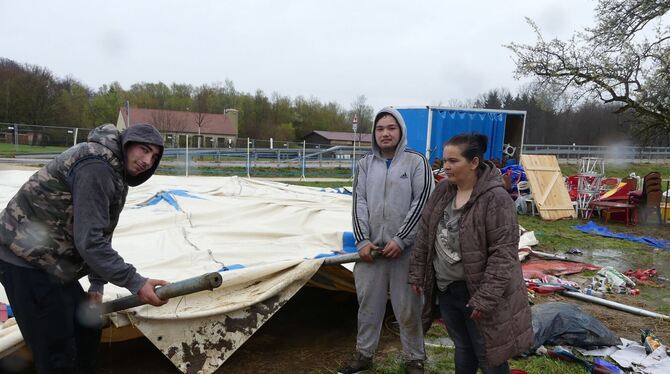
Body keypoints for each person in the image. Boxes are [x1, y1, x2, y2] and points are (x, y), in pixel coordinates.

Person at [0, 123, 169, 373]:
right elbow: (89, 241)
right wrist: (136, 282)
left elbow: (102, 230)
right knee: (57, 351)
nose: (147, 160)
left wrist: (97, 284)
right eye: (143, 150)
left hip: (53, 261)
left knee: (86, 330)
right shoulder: (97, 166)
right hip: (23, 258)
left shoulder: (115, 171)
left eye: (153, 157)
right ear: (127, 144)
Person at [408, 133, 532, 374]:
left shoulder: (495, 199)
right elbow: (425, 234)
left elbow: (503, 254)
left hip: (477, 292)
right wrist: (417, 273)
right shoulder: (443, 191)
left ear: (474, 162)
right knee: (463, 347)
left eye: (453, 161)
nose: (446, 166)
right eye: (445, 160)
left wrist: (485, 299)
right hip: (446, 289)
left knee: (488, 353)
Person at [338, 107, 434, 374]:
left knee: (408, 307)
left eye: (391, 128)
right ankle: (364, 355)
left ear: (401, 130)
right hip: (372, 252)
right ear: (374, 133)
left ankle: (414, 358)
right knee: (368, 305)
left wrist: (402, 239)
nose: (385, 133)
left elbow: (422, 202)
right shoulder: (365, 165)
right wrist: (362, 241)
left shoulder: (416, 163)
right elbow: (359, 203)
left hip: (406, 252)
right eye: (380, 129)